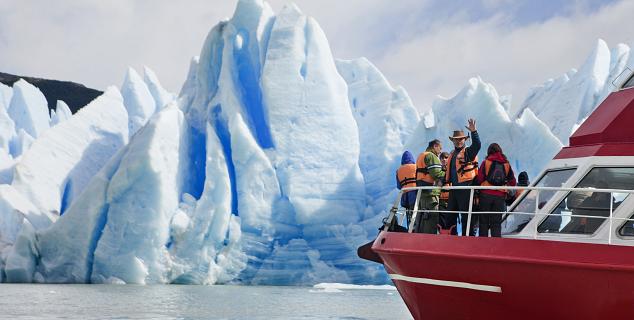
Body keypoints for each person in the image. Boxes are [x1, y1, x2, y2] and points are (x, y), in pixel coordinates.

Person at [444, 119, 481, 236]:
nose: (458, 141)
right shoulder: (452, 154)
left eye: (460, 139)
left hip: (466, 188)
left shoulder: (468, 152)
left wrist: (474, 132)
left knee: (466, 216)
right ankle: (451, 237)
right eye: (456, 140)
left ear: (465, 140)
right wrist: (442, 181)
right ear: (453, 141)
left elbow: (477, 145)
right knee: (450, 215)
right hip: (454, 190)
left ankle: (467, 238)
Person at [476, 143, 517, 237]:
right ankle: (496, 243)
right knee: (496, 222)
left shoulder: (486, 162)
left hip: (485, 194)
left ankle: (483, 243)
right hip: (500, 196)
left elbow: (480, 178)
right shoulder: (506, 164)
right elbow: (513, 182)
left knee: (483, 221)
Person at [414, 140, 445, 233]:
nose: (440, 151)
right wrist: (446, 174)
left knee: (423, 218)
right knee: (432, 219)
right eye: (440, 148)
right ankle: (430, 239)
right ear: (435, 146)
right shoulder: (431, 156)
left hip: (422, 192)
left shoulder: (421, 155)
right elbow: (436, 174)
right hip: (431, 193)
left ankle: (420, 239)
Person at [395, 151, 417, 229]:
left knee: (410, 215)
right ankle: (417, 228)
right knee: (417, 214)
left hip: (405, 197)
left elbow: (399, 186)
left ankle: (412, 228)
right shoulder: (415, 167)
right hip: (415, 195)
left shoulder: (398, 171)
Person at [438, 152, 451, 232]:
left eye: (446, 158)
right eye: (442, 158)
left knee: (451, 220)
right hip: (441, 199)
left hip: (451, 199)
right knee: (441, 221)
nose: (444, 159)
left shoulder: (452, 169)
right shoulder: (438, 170)